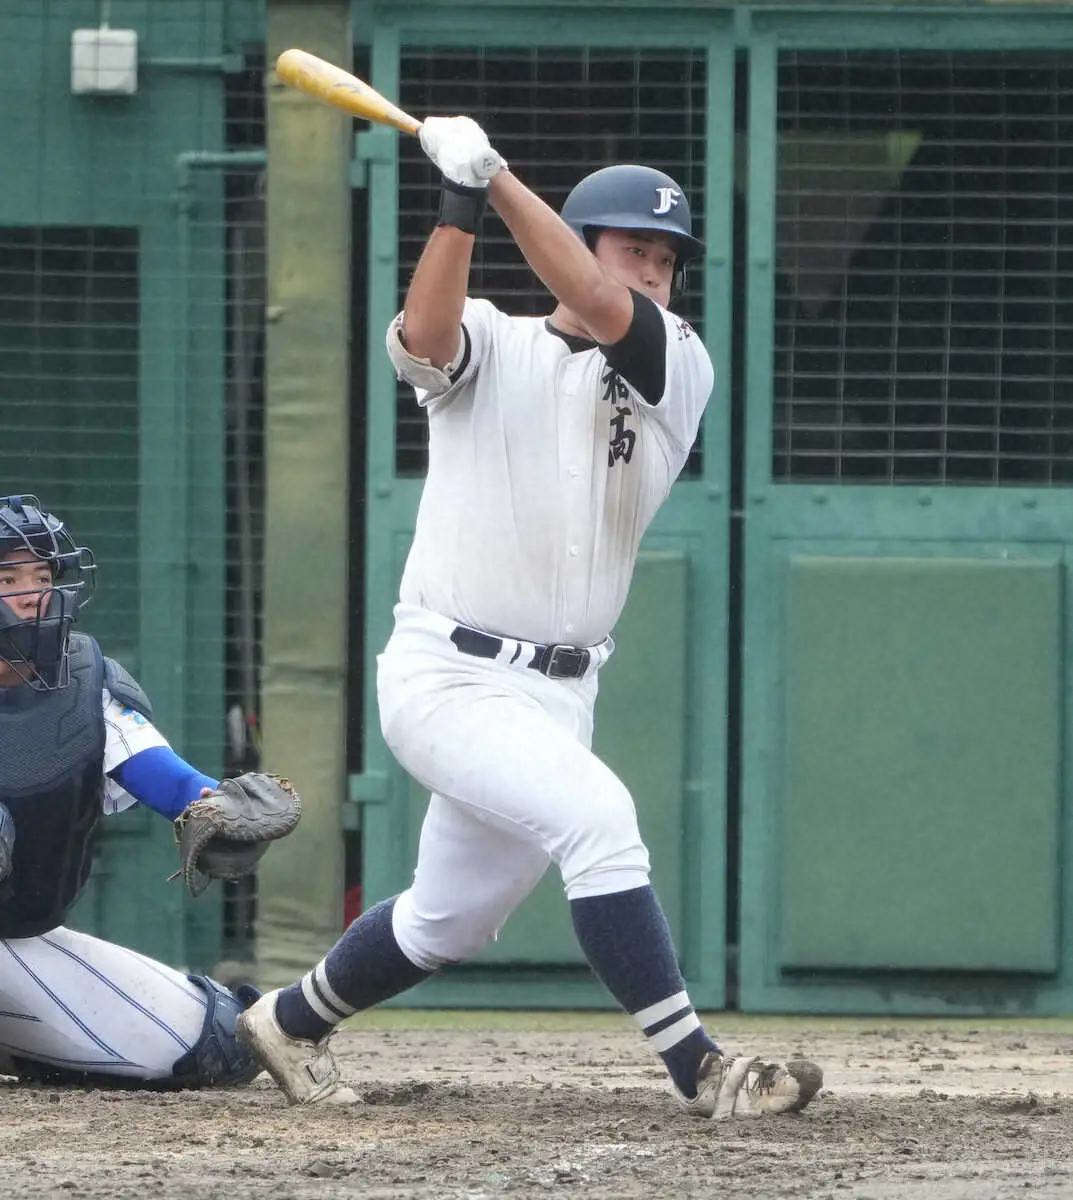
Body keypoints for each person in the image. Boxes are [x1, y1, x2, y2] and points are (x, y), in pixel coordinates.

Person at [238, 118, 823, 1118]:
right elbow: (424, 339)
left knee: (448, 920)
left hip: (558, 691)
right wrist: (459, 205)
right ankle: (704, 1069)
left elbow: (603, 311)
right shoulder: (497, 342)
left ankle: (286, 1023)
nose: (650, 271)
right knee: (598, 821)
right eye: (630, 247)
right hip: (446, 674)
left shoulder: (677, 359)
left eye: (665, 259)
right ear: (577, 240)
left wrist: (497, 180)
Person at [0, 494, 265, 1089]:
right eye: (8, 577)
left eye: (42, 575)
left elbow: (164, 779)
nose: (31, 593)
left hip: (13, 945)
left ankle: (23, 1044)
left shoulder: (81, 687)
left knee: (216, 1042)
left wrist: (214, 807)